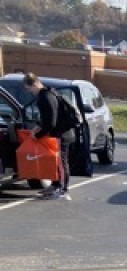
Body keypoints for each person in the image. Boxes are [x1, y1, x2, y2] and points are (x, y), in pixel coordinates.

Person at [23, 72, 73, 201]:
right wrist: (39, 126)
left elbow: (51, 122)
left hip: (62, 134)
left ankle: (63, 189)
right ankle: (56, 185)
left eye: (29, 89)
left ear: (35, 84)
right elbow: (48, 119)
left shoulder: (45, 97)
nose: (30, 92)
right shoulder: (48, 93)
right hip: (60, 133)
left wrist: (38, 135)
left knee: (61, 162)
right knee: (55, 161)